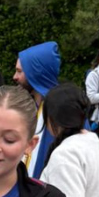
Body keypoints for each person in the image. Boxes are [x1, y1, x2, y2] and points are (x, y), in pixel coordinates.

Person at [14, 41, 61, 179]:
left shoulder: (59, 115)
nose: (14, 77)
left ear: (36, 74)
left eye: (19, 71)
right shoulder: (32, 108)